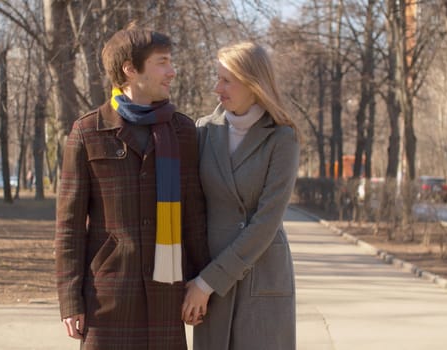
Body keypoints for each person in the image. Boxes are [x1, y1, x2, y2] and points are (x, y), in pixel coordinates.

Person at [55, 23, 209, 350]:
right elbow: (69, 227)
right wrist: (70, 300)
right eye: (162, 62)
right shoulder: (87, 132)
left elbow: (194, 216)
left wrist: (202, 284)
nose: (172, 71)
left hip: (166, 297)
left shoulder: (182, 132)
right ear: (130, 69)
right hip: (107, 297)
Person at [181, 42, 300, 349]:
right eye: (216, 77)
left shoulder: (282, 138)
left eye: (226, 80)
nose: (216, 88)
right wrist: (194, 279)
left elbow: (266, 222)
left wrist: (207, 283)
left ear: (252, 83)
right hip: (210, 276)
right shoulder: (203, 131)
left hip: (260, 275)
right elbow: (193, 211)